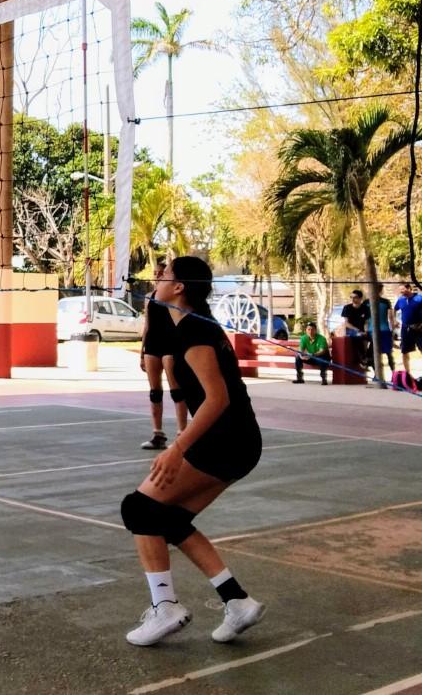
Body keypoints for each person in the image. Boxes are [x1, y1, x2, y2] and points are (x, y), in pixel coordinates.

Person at [121, 256, 265, 648]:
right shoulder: (189, 324)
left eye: (164, 276)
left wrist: (176, 447)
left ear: (180, 286)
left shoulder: (195, 333)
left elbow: (216, 399)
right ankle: (237, 601)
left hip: (224, 439)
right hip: (238, 441)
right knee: (166, 519)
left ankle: (164, 606)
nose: (156, 281)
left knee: (138, 509)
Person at [140, 258, 187, 451]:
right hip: (153, 343)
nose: (158, 276)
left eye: (162, 273)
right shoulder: (149, 297)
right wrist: (142, 351)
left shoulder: (172, 296)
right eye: (156, 273)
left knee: (176, 390)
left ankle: (182, 433)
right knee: (154, 391)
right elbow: (147, 324)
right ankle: (157, 433)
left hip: (170, 343)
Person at [340, 289, 370, 369]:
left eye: (355, 297)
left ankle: (368, 358)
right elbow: (346, 323)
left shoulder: (365, 308)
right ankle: (362, 359)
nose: (353, 299)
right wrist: (358, 330)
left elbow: (366, 322)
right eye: (351, 297)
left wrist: (366, 331)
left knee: (372, 338)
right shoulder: (347, 308)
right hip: (351, 330)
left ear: (360, 298)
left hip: (362, 330)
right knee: (358, 337)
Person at [369, 282, 396, 374]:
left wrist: (392, 329)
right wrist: (392, 330)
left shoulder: (368, 302)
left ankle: (379, 374)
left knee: (377, 353)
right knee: (387, 353)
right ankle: (392, 373)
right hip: (381, 330)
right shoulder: (385, 302)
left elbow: (390, 317)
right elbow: (391, 318)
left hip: (374, 330)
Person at [398, 283, 422, 375]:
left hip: (419, 329)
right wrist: (394, 321)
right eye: (400, 290)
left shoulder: (419, 298)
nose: (401, 292)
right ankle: (408, 373)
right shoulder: (400, 300)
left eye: (403, 289)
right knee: (404, 351)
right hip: (406, 329)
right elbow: (394, 309)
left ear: (409, 288)